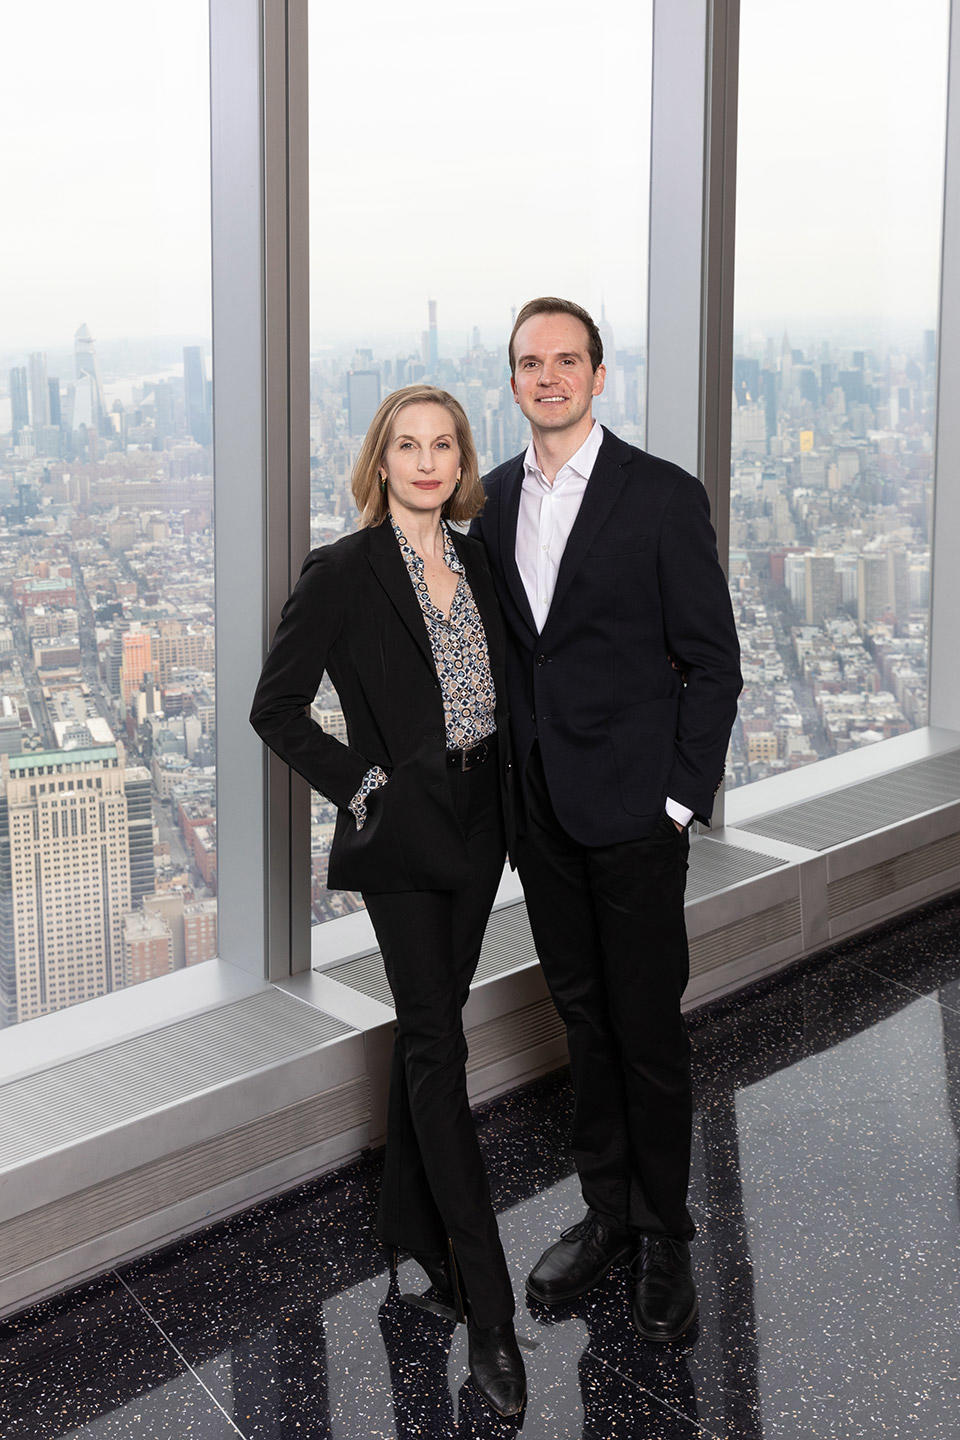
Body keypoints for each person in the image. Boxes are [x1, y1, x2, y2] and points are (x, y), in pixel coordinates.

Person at [249, 384, 525, 1416]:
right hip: (407, 831)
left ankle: (411, 1231)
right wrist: (365, 785)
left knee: (428, 1033)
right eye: (406, 444)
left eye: (442, 444)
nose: (424, 460)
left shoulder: (479, 560)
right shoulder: (347, 570)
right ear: (381, 459)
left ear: (460, 461)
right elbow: (274, 707)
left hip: (486, 817)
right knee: (439, 1049)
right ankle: (489, 1310)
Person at [470, 298, 742, 1342]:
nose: (549, 377)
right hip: (540, 815)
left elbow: (714, 664)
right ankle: (605, 1214)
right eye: (530, 364)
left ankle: (665, 1231)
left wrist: (677, 800)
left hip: (635, 816)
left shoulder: (661, 497)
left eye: (566, 360)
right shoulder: (490, 504)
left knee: (645, 1029)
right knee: (582, 1024)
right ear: (513, 382)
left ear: (595, 373)